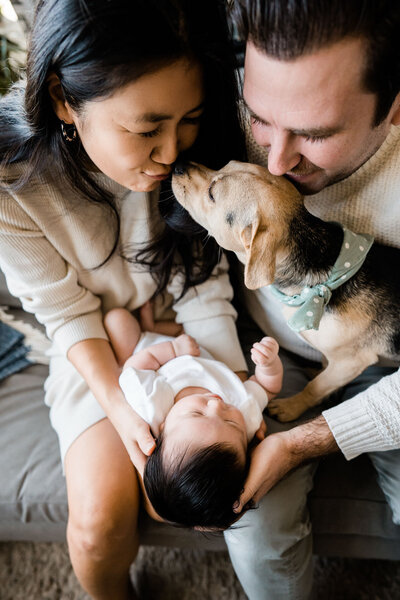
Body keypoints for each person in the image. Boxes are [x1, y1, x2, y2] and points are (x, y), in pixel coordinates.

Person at [0, 1, 249, 598]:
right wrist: (122, 407)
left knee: (176, 502)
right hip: (90, 346)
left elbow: (202, 279)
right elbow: (64, 312)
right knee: (97, 525)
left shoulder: (201, 142)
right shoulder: (13, 181)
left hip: (184, 323)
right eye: (147, 129)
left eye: (187, 119)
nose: (171, 152)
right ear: (63, 99)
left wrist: (225, 383)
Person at [221, 1, 400, 599]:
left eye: (316, 133)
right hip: (267, 353)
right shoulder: (223, 108)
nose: (275, 160)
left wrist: (307, 437)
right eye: (260, 118)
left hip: (389, 371)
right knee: (250, 528)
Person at [103, 306, 283, 530]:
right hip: (198, 350)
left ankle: (150, 329)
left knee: (116, 320)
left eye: (196, 413)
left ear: (161, 428)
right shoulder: (244, 412)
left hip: (153, 353)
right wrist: (269, 366)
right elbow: (267, 388)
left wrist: (172, 348)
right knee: (185, 334)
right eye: (231, 423)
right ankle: (155, 325)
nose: (217, 404)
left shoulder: (152, 403)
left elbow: (134, 367)